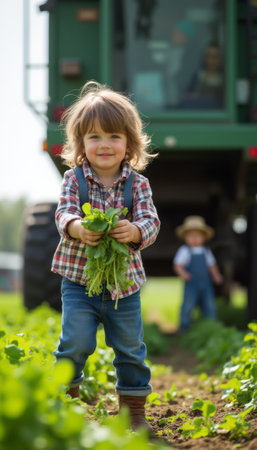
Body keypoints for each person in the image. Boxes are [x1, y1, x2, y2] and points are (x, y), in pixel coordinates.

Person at [51, 80, 160, 431]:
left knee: (130, 347)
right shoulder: (74, 179)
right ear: (81, 143)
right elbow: (63, 213)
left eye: (114, 136)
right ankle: (64, 405)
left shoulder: (138, 184)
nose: (105, 145)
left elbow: (150, 219)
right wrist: (78, 228)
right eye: (94, 137)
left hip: (123, 286)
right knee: (75, 342)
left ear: (129, 142)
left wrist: (137, 231)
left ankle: (134, 412)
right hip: (80, 282)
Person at [173, 216, 222, 332]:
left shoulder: (206, 250)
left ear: (203, 237)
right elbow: (177, 265)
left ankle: (210, 327)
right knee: (188, 305)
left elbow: (212, 265)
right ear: (185, 237)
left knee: (209, 305)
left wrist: (216, 275)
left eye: (198, 236)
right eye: (191, 236)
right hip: (191, 283)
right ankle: (184, 328)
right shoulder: (184, 250)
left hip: (206, 283)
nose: (194, 239)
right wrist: (183, 274)